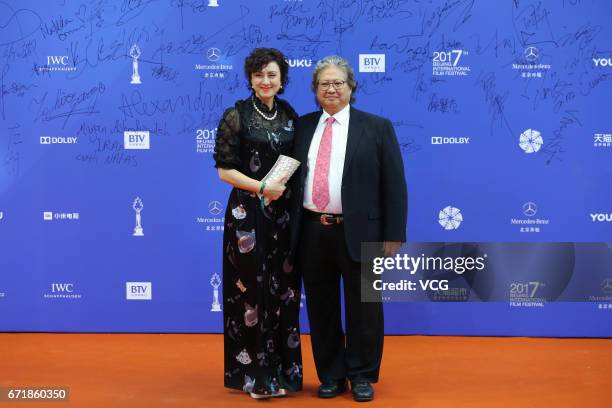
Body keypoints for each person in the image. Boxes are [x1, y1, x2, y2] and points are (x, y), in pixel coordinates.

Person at [290, 55, 407, 402]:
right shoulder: (302, 127)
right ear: (315, 90)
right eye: (324, 83)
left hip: (363, 233)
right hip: (312, 231)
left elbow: (395, 185)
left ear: (351, 87)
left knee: (365, 309)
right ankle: (330, 374)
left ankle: (361, 375)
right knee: (321, 308)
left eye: (338, 83)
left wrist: (393, 233)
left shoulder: (377, 127)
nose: (331, 89)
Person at [214, 48, 302, 399]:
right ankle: (253, 377)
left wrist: (280, 192)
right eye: (259, 75)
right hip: (247, 216)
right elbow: (224, 171)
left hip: (282, 215)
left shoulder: (290, 114)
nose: (266, 81)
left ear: (282, 80)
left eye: (272, 75)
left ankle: (282, 373)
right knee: (249, 293)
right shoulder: (235, 115)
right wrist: (263, 186)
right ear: (250, 78)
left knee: (282, 291)